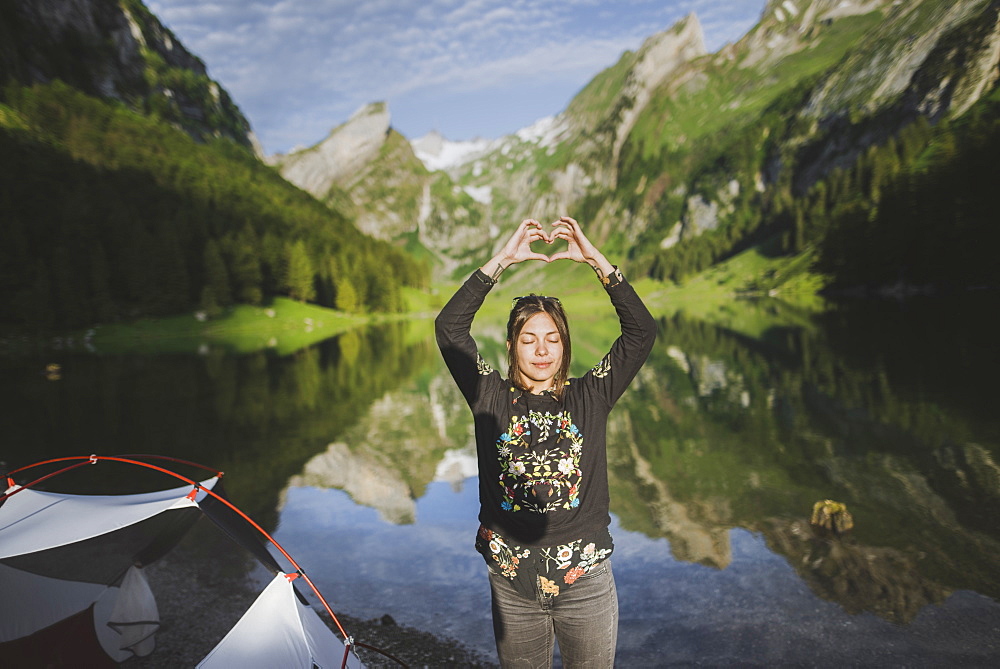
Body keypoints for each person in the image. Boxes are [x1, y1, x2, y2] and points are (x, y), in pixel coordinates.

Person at [435, 216, 657, 668]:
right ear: (513, 346)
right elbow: (450, 328)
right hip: (512, 582)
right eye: (529, 338)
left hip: (586, 581)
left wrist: (598, 263)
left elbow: (641, 333)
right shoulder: (489, 396)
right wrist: (501, 262)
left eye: (552, 338)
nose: (541, 349)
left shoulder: (590, 395)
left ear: (564, 345)